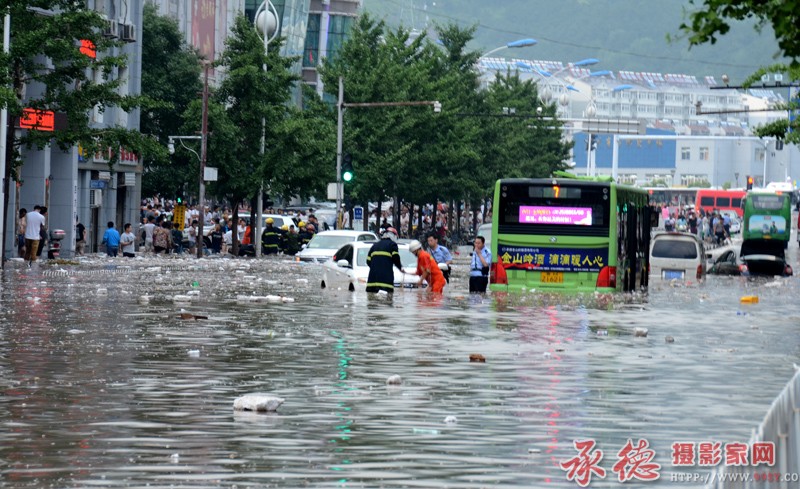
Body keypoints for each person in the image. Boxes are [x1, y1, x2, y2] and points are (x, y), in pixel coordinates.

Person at [366, 227, 403, 294]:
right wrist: (400, 268)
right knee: (386, 302)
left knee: (372, 302)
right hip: (386, 284)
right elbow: (396, 258)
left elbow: (368, 261)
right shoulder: (392, 245)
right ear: (394, 236)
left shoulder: (374, 245)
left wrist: (376, 267)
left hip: (372, 284)